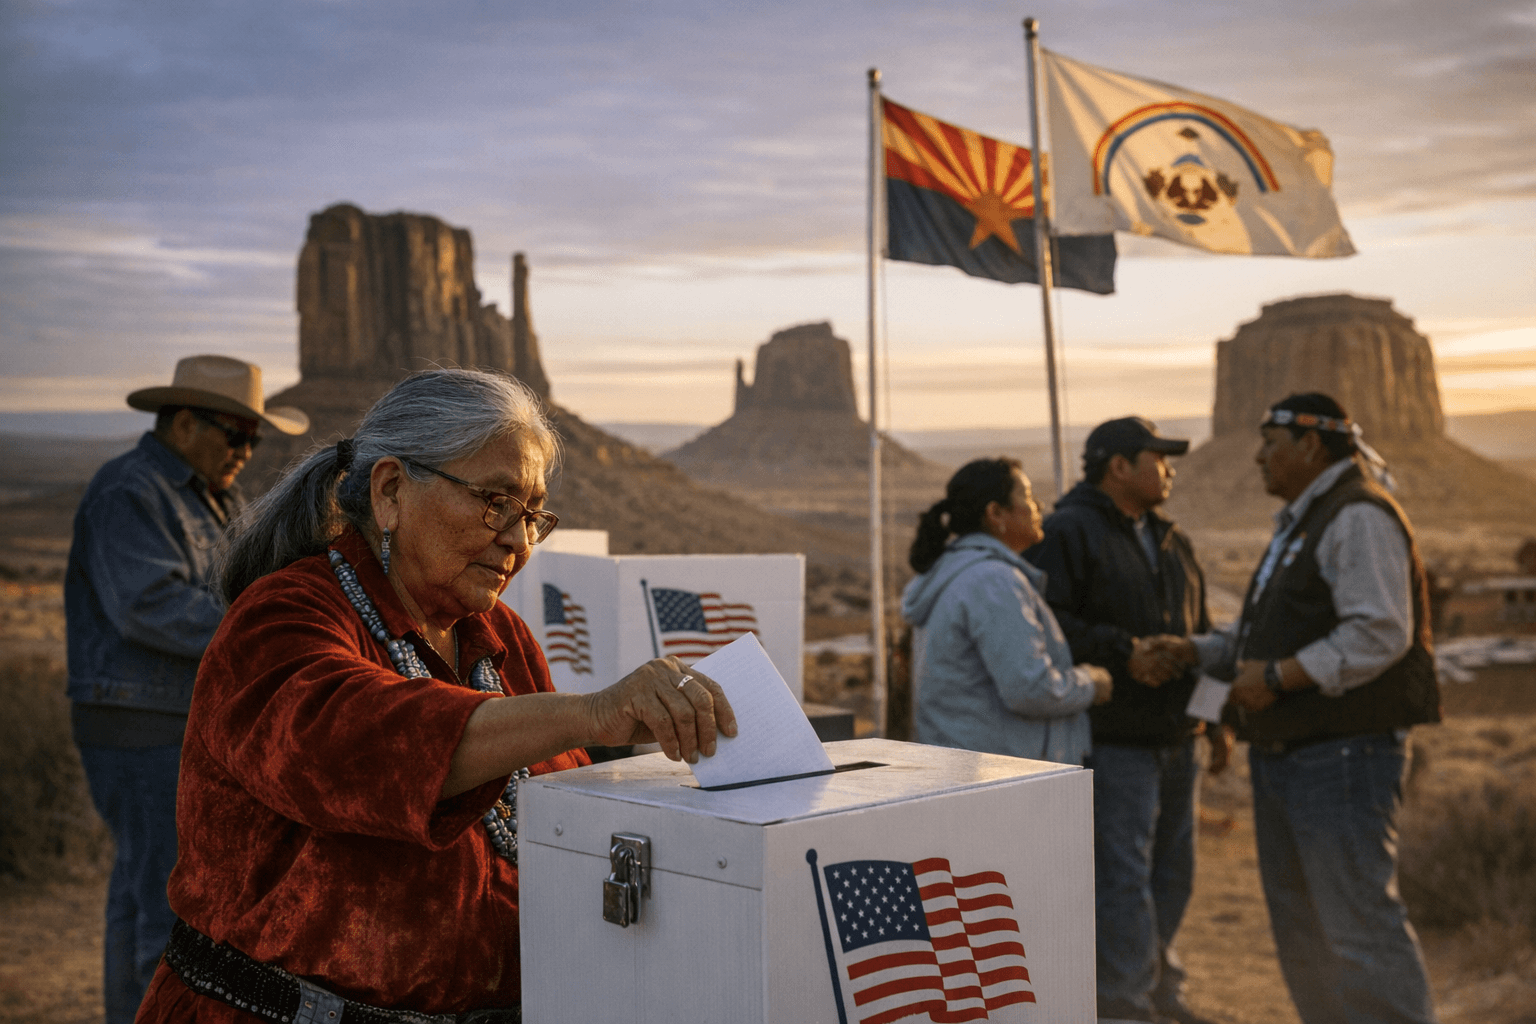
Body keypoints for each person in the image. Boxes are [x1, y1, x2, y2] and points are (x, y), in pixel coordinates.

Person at [134, 368, 736, 1023]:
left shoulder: (500, 636)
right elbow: (356, 743)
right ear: (391, 491)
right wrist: (593, 712)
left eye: (532, 514)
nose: (519, 540)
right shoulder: (282, 618)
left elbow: (558, 811)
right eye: (496, 502)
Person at [1160, 393, 1441, 1024]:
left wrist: (1279, 678)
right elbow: (1269, 634)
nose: (1257, 457)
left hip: (1342, 755)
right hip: (1295, 756)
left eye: (1270, 445)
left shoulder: (1357, 514)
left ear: (1310, 445)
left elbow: (1380, 631)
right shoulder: (1306, 519)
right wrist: (1195, 651)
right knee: (1305, 929)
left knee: (1356, 926)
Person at [65, 354, 308, 1024]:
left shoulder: (211, 496)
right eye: (235, 434)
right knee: (168, 903)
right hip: (139, 722)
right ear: (181, 423)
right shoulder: (129, 491)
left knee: (141, 889)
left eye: (252, 439)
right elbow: (147, 605)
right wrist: (269, 635)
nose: (245, 451)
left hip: (163, 718)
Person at [1024, 416, 1225, 1024]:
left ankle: (1158, 987)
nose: (1170, 470)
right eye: (1158, 459)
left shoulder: (1171, 538)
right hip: (1115, 740)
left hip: (1179, 737)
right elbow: (1049, 626)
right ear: (1118, 467)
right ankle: (1123, 1000)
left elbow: (1201, 636)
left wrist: (1214, 722)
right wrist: (1123, 651)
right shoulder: (1067, 532)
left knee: (1174, 871)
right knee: (1122, 873)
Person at [901, 457, 1111, 766]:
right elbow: (1029, 689)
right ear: (995, 513)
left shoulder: (955, 571)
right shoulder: (993, 581)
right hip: (999, 771)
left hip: (965, 763)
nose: (1038, 505)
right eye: (1027, 496)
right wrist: (1090, 683)